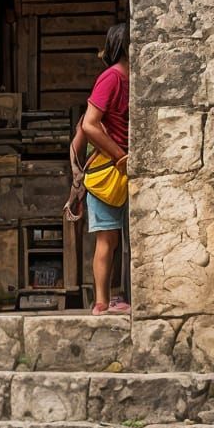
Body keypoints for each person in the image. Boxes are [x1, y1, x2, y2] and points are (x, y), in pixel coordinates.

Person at [66, 23, 131, 315]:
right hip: (108, 172)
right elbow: (88, 128)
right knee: (108, 238)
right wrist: (119, 156)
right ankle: (101, 302)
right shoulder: (112, 78)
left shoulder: (130, 78)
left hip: (124, 170)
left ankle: (118, 297)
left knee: (122, 240)